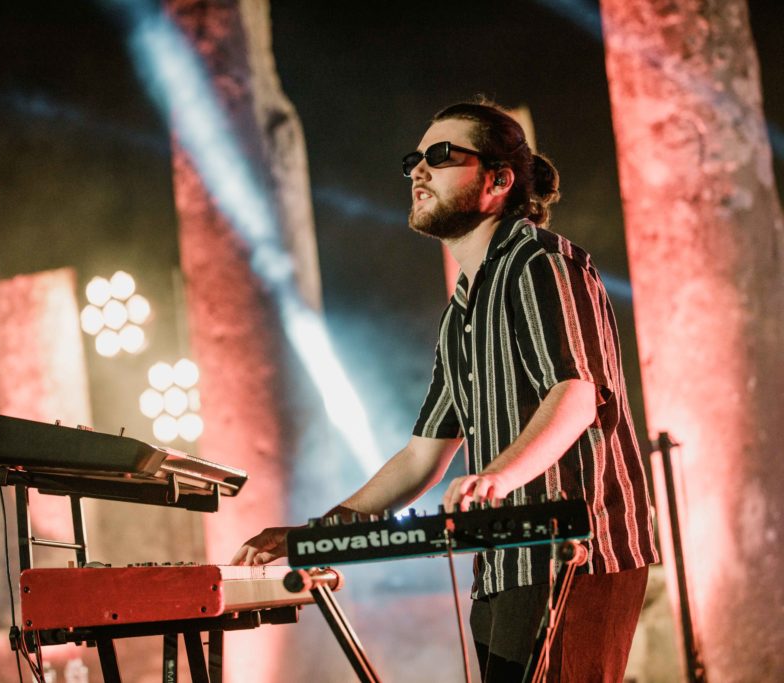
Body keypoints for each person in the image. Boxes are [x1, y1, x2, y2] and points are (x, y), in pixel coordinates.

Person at [231, 100, 659, 682]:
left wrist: (496, 479)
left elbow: (577, 395)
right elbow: (422, 456)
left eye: (440, 156)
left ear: (498, 181)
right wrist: (316, 534)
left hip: (579, 552)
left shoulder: (541, 263)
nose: (418, 171)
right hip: (504, 562)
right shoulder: (461, 309)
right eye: (415, 159)